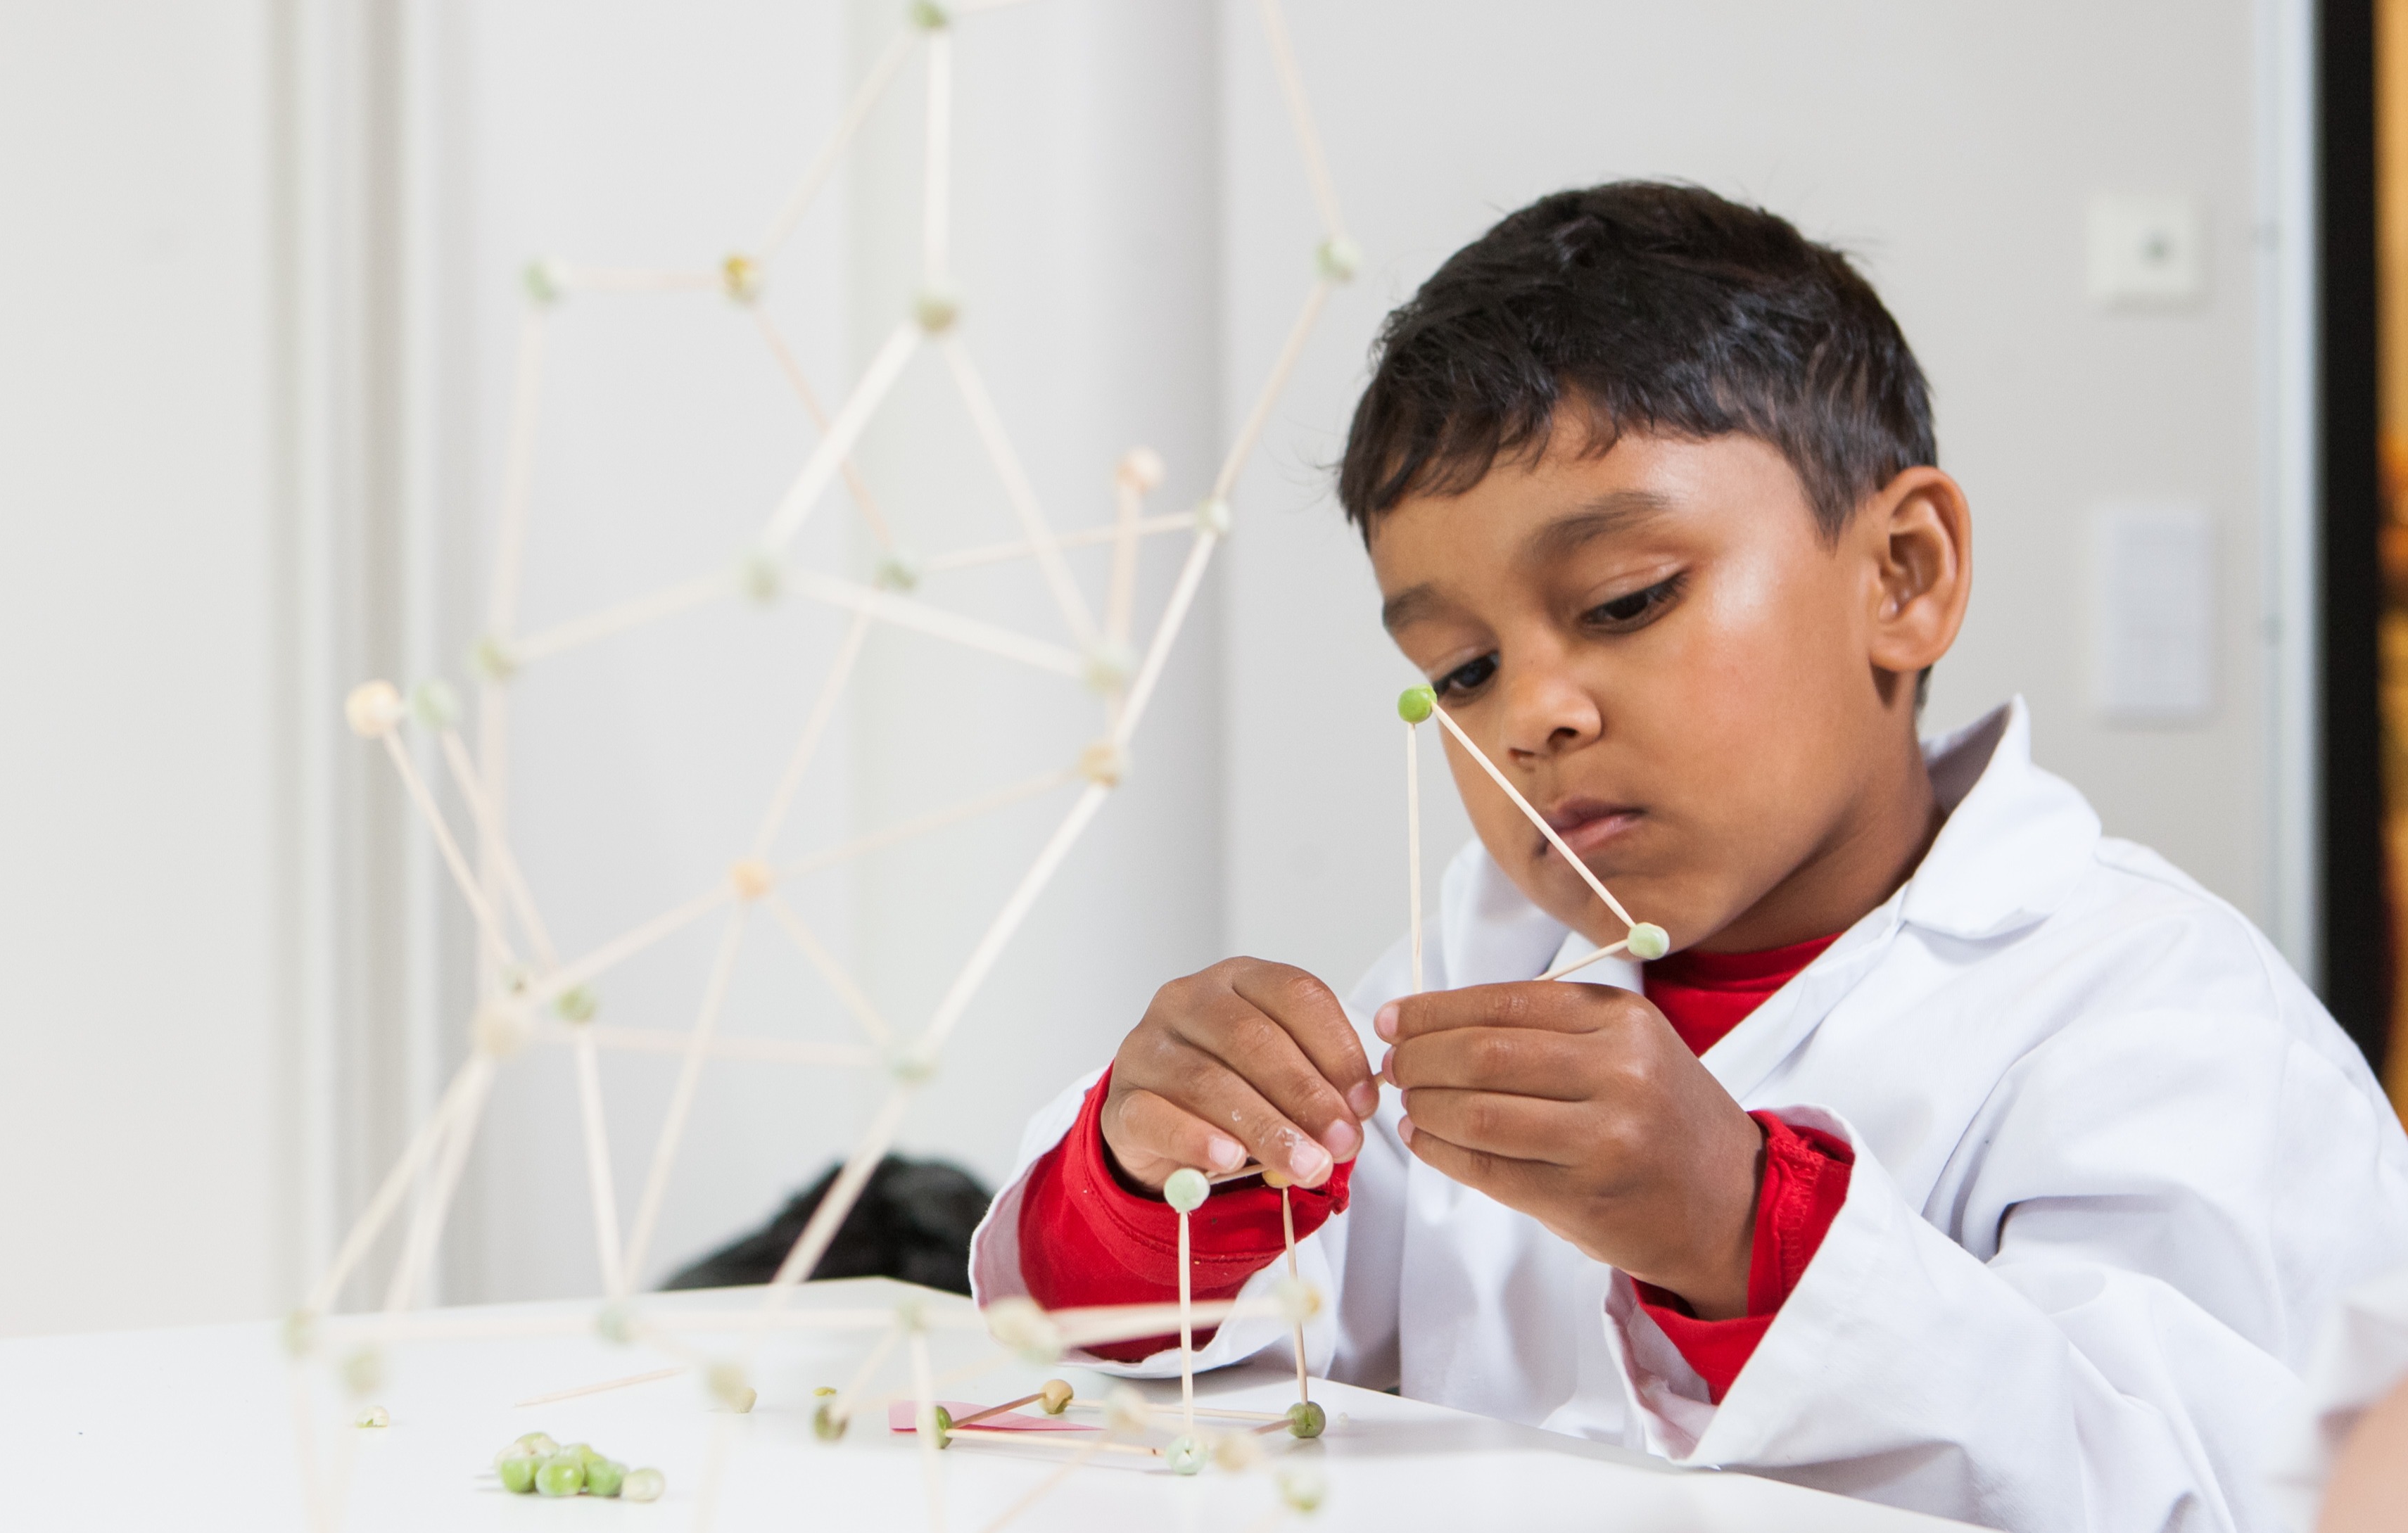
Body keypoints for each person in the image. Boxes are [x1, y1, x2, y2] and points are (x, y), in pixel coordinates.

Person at [966, 182, 2408, 1532]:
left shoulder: (2163, 1021)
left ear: (1899, 576)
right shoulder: (1476, 968)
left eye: (1622, 599)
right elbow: (1150, 1361)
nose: (1532, 713)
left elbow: (2227, 1496)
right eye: (1458, 672)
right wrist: (1162, 1170)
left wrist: (1745, 1235)